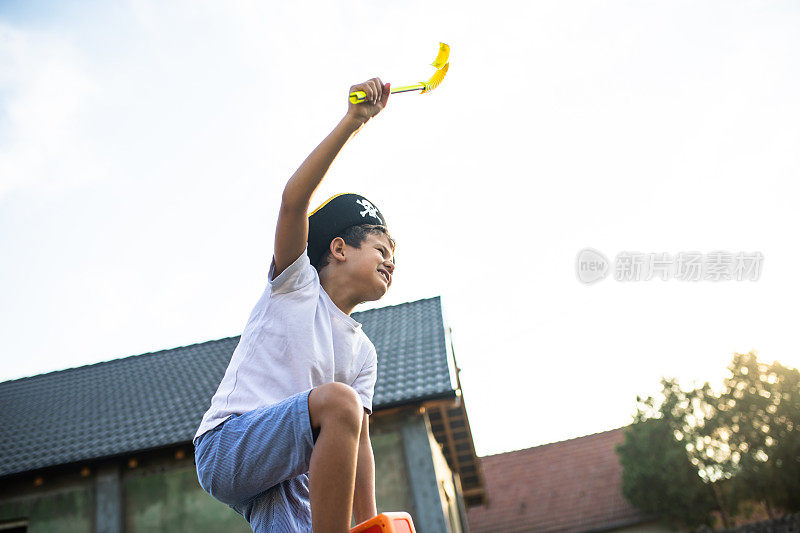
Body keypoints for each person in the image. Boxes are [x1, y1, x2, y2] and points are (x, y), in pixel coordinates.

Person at [193, 78, 395, 533]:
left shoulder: (364, 354)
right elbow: (293, 202)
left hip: (289, 472)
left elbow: (359, 446)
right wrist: (352, 122)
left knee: (339, 428)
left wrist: (372, 523)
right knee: (339, 404)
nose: (391, 261)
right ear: (339, 249)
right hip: (230, 445)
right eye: (381, 249)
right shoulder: (295, 283)